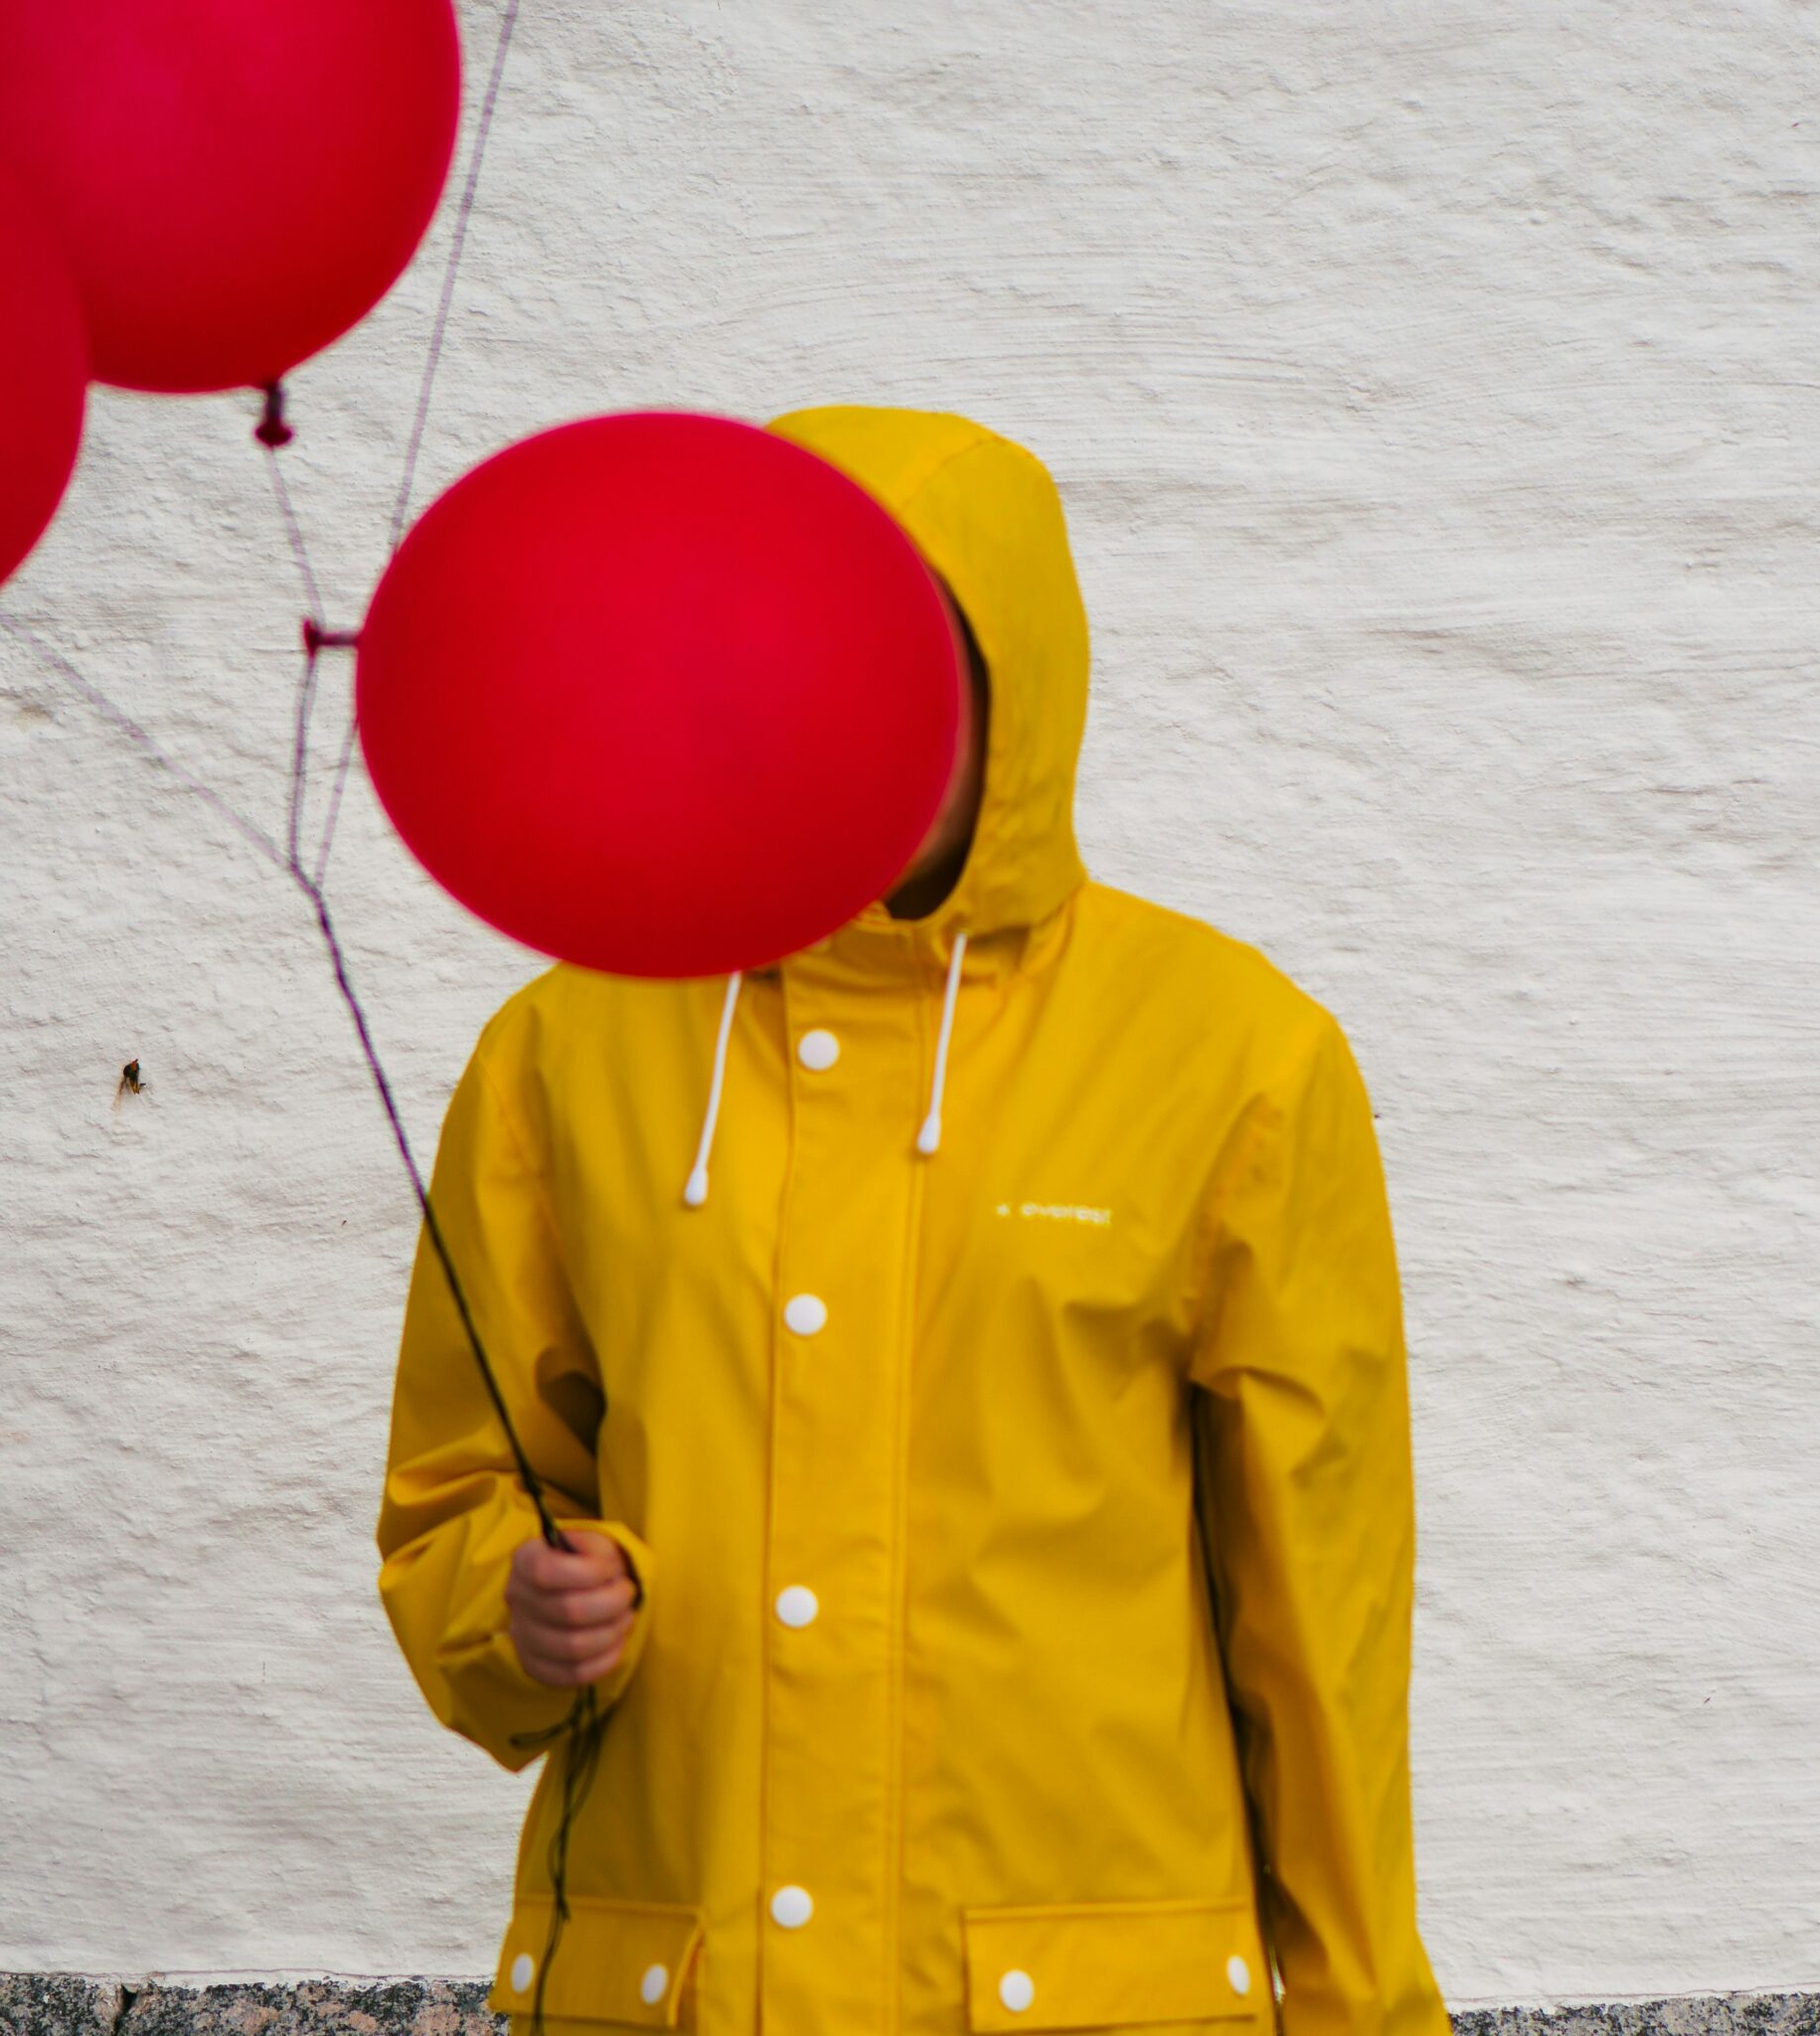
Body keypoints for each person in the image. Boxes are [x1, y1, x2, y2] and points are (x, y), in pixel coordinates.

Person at [376, 405, 1449, 2036]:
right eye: (794, 662)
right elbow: (456, 1501)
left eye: (905, 669)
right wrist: (515, 1609)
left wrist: (1361, 2014)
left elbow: (1323, 1629)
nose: (845, 722)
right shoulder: (571, 1047)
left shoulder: (1232, 1056)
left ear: (1015, 688)